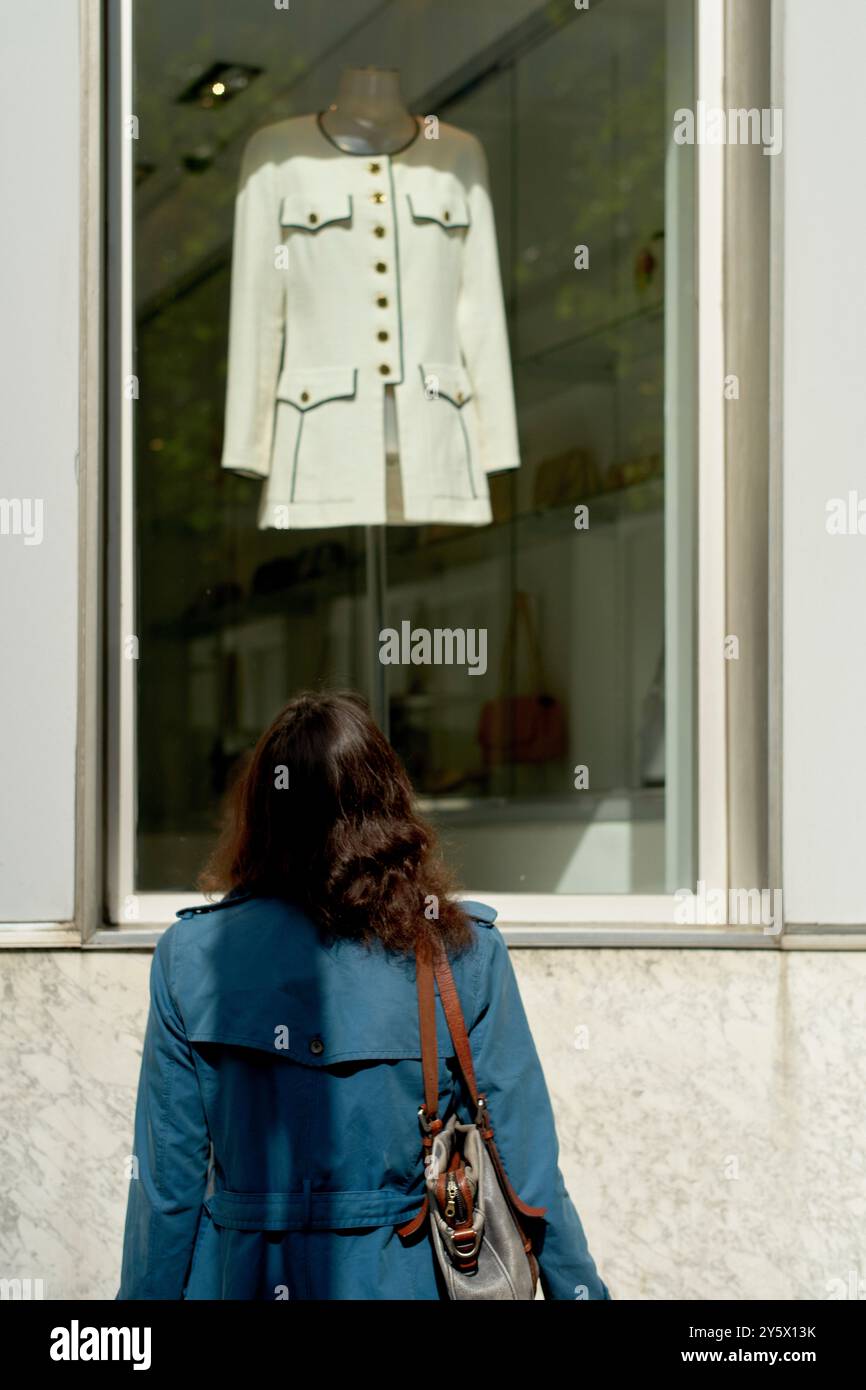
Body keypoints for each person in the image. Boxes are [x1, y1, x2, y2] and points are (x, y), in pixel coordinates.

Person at [116, 690, 609, 1300]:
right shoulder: (460, 953)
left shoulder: (190, 959)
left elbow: (166, 1191)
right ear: (390, 806)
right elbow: (526, 1170)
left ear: (261, 814)